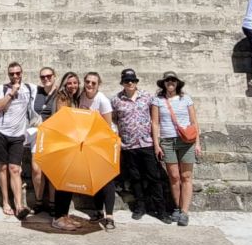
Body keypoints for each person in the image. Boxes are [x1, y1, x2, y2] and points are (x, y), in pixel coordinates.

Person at [110, 68, 169, 223]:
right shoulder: (116, 100)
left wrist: (157, 142)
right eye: (127, 80)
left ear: (136, 82)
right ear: (122, 82)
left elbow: (155, 118)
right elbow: (114, 120)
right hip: (129, 145)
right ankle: (140, 207)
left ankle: (161, 210)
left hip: (147, 142)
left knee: (154, 177)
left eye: (133, 80)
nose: (130, 83)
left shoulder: (147, 97)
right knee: (135, 178)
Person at [150, 71, 200, 227]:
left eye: (173, 80)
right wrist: (157, 144)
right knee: (174, 176)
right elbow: (155, 123)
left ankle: (184, 212)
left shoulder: (186, 99)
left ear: (177, 83)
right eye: (167, 80)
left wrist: (198, 143)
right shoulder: (157, 100)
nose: (170, 82)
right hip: (167, 141)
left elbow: (194, 122)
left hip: (186, 140)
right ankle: (177, 208)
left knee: (186, 176)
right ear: (163, 83)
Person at [0, 62, 35, 219]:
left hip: (18, 135)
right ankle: (5, 202)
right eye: (12, 74)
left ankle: (18, 205)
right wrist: (11, 93)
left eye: (18, 73)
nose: (15, 76)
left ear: (22, 73)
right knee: (2, 169)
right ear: (8, 75)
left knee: (15, 169)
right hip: (0, 132)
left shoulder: (30, 88)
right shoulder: (2, 88)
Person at [77, 71, 117, 230]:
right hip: (89, 142)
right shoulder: (81, 97)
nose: (90, 85)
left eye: (93, 83)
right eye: (88, 82)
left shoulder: (103, 100)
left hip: (104, 141)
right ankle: (98, 211)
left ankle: (109, 215)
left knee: (107, 179)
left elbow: (108, 126)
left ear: (98, 84)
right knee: (94, 178)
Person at [50, 72, 82, 231]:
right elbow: (64, 121)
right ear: (64, 84)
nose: (73, 86)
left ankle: (65, 215)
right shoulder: (62, 98)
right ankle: (57, 217)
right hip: (63, 144)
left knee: (69, 183)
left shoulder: (74, 98)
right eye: (69, 83)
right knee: (62, 183)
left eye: (75, 83)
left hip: (72, 144)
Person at [30, 66, 58, 214]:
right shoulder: (36, 92)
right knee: (36, 170)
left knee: (52, 171)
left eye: (48, 76)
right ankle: (39, 201)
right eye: (43, 77)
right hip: (38, 134)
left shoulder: (60, 94)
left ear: (54, 76)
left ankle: (53, 203)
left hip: (55, 136)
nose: (46, 79)